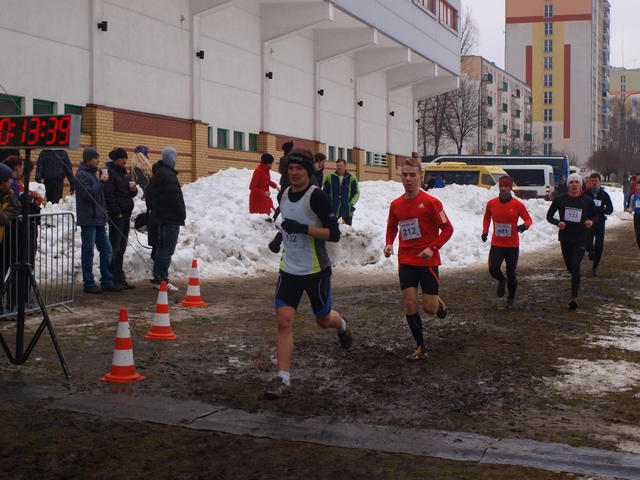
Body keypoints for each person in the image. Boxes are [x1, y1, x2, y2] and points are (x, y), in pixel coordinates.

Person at [264, 148, 352, 400]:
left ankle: (341, 324)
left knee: (323, 320)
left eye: (299, 168)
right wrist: (279, 238)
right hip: (289, 269)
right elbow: (287, 224)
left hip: (315, 270)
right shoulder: (283, 195)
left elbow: (333, 234)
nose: (293, 173)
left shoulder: (317, 197)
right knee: (284, 321)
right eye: (290, 168)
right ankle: (283, 379)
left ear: (308, 171)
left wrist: (303, 229)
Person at [384, 157, 453, 361]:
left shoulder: (432, 203)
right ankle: (420, 347)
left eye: (412, 175)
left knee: (429, 309)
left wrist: (432, 248)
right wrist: (389, 243)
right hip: (406, 260)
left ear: (421, 177)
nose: (408, 179)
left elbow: (448, 229)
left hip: (427, 261)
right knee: (410, 302)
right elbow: (392, 227)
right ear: (401, 177)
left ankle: (438, 303)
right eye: (405, 175)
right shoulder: (396, 205)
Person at [546, 173, 596, 310]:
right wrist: (558, 223)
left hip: (581, 237)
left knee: (575, 265)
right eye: (571, 182)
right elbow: (549, 216)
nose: (574, 184)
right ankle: (575, 279)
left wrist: (591, 221)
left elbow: (596, 215)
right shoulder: (560, 199)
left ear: (580, 185)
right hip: (566, 237)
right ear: (568, 185)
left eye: (577, 182)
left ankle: (574, 297)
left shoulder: (587, 200)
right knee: (570, 266)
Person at [481, 176, 533, 309]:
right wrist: (485, 231)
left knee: (511, 273)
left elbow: (528, 219)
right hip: (497, 244)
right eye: (501, 186)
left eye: (506, 186)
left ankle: (510, 299)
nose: (503, 189)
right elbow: (487, 217)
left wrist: (524, 226)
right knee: (493, 269)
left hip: (512, 245)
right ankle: (501, 280)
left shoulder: (517, 205)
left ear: (510, 188)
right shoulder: (492, 203)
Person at [75, 148, 122, 294]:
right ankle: (88, 282)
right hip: (88, 219)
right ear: (88, 159)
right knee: (88, 251)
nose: (97, 160)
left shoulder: (93, 175)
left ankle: (107, 280)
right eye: (95, 158)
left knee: (107, 249)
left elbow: (99, 196)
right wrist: (101, 181)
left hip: (99, 219)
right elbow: (89, 194)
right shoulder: (82, 175)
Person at [145, 147, 186, 291]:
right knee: (166, 250)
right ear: (171, 158)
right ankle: (162, 279)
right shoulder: (168, 175)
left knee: (161, 248)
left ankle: (159, 278)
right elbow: (174, 198)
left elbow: (149, 196)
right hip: (170, 218)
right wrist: (181, 214)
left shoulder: (158, 174)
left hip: (162, 217)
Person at [104, 148, 138, 290]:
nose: (124, 160)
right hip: (117, 216)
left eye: (125, 158)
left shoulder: (124, 174)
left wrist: (133, 191)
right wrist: (117, 212)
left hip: (126, 214)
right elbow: (109, 195)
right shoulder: (110, 174)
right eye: (122, 158)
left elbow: (126, 194)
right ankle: (112, 278)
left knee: (122, 248)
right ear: (115, 159)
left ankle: (120, 277)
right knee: (115, 247)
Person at [583, 172, 613, 276]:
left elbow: (610, 209)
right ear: (589, 182)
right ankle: (591, 251)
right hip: (589, 222)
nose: (594, 183)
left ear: (599, 182)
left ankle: (595, 267)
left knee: (599, 245)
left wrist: (601, 209)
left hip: (600, 222)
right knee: (588, 243)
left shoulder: (604, 195)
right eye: (592, 181)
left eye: (596, 181)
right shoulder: (586, 194)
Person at [0, 163, 21, 309]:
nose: (11, 181)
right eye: (9, 179)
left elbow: (16, 209)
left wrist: (2, 216)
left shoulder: (10, 195)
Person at [323, 159, 360, 225]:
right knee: (332, 227)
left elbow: (356, 192)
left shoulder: (352, 178)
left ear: (345, 166)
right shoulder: (330, 177)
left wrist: (351, 203)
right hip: (333, 210)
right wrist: (328, 204)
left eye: (341, 165)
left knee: (346, 229)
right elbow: (325, 193)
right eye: (337, 166)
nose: (339, 167)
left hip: (346, 211)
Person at [628, 181, 640, 250]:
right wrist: (630, 209)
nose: (638, 188)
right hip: (637, 216)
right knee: (638, 234)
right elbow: (630, 206)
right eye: (637, 186)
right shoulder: (633, 196)